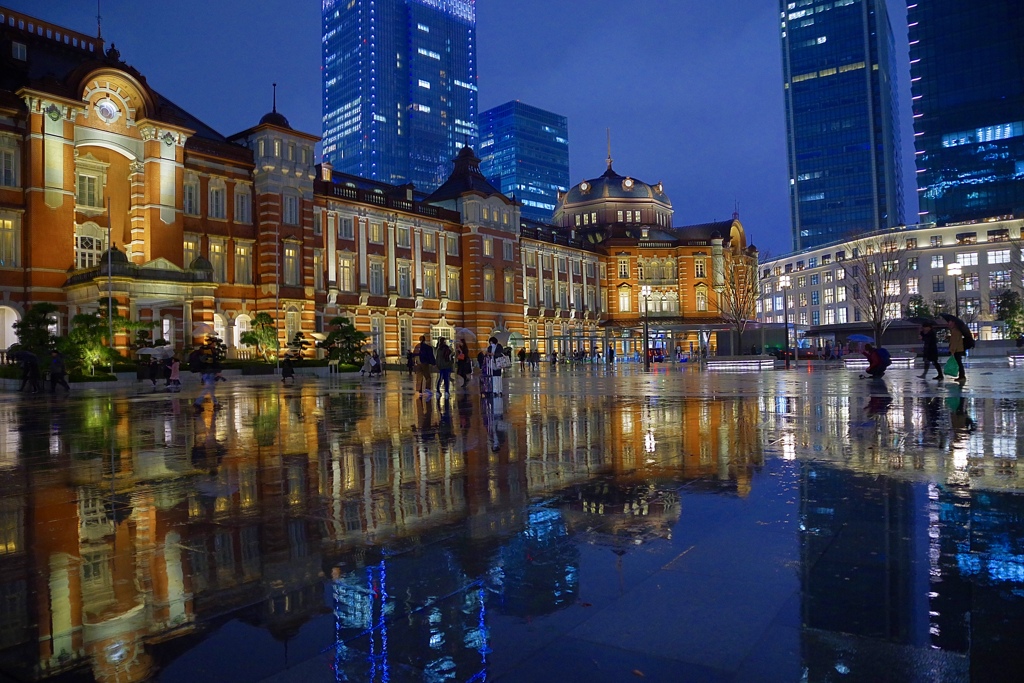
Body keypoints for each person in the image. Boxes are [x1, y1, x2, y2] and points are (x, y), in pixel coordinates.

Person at [193, 343, 223, 411]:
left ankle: (216, 403)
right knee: (207, 388)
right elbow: (214, 364)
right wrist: (218, 371)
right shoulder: (210, 354)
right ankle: (197, 403)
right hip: (209, 373)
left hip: (205, 373)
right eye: (213, 344)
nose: (214, 345)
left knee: (211, 389)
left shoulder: (202, 354)